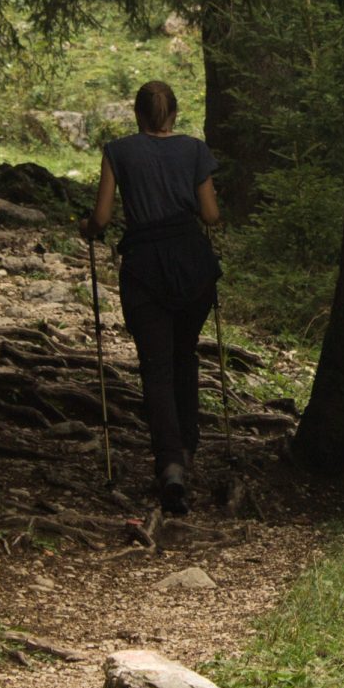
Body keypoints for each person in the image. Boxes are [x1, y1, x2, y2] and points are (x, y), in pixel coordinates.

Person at [78, 80, 221, 515]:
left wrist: (87, 229)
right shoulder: (195, 151)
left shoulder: (118, 151)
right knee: (185, 357)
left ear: (138, 115)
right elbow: (211, 216)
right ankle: (188, 447)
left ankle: (171, 464)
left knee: (156, 367)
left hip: (144, 266)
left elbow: (102, 217)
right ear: (174, 114)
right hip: (192, 263)